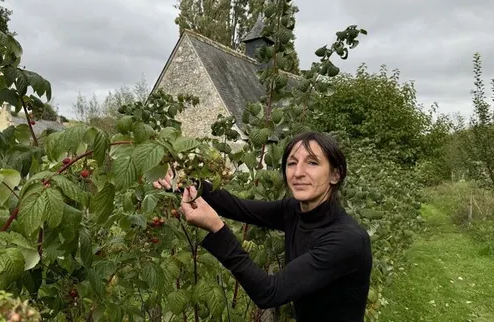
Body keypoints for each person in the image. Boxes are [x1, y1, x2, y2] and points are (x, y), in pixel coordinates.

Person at [153, 131, 372, 322]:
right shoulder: (295, 210)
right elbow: (238, 208)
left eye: (312, 163)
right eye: (292, 163)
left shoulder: (347, 240)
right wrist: (182, 181)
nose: (298, 173)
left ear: (336, 174)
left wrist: (217, 229)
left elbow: (270, 292)